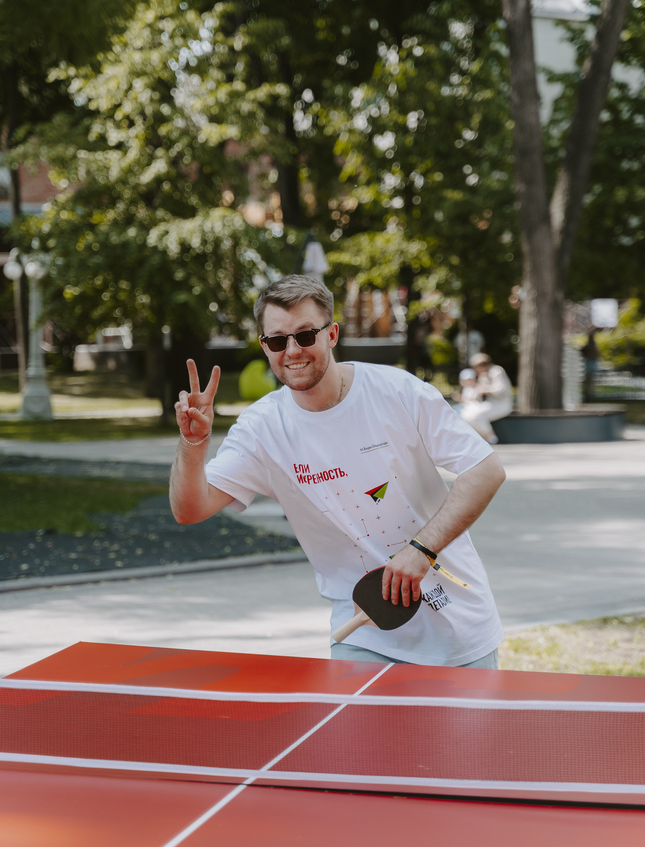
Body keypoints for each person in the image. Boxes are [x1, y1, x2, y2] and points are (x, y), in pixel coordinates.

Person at [169, 275, 506, 668]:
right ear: (265, 346)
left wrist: (422, 549)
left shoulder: (397, 391)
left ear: (331, 334)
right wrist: (193, 444)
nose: (292, 350)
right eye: (277, 341)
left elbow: (486, 470)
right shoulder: (261, 429)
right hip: (363, 632)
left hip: (459, 628)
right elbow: (189, 510)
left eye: (305, 335)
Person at [459, 353, 513, 445]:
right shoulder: (483, 375)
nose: (476, 371)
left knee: (475, 415)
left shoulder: (496, 371)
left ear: (483, 365)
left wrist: (485, 390)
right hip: (490, 404)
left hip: (501, 404)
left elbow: (501, 391)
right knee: (465, 415)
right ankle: (481, 438)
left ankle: (491, 437)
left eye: (476, 368)